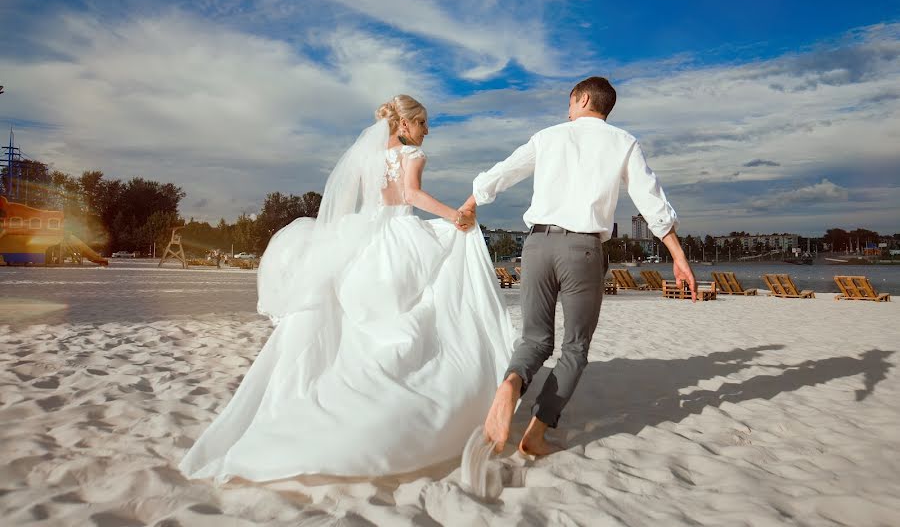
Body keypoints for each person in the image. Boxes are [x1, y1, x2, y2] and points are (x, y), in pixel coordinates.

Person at [179, 95, 516, 481]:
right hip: (399, 240)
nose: (427, 131)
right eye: (422, 123)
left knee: (356, 326)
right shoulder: (414, 155)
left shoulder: (362, 157)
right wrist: (454, 215)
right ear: (405, 125)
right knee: (422, 308)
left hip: (363, 241)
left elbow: (357, 202)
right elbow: (411, 196)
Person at [459, 76, 696, 457]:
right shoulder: (623, 142)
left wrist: (472, 202)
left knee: (534, 340)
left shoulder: (548, 137)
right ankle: (536, 433)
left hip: (535, 245)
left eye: (570, 102)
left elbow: (503, 172)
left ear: (583, 98)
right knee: (575, 347)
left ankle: (512, 383)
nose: (567, 110)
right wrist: (679, 256)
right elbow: (651, 201)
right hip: (583, 250)